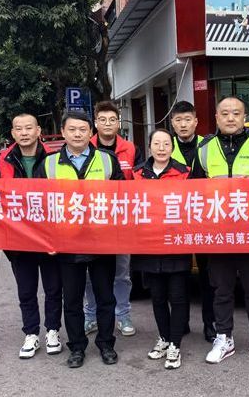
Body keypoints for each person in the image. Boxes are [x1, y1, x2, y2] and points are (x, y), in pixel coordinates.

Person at [191, 95, 249, 365]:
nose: (231, 118)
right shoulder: (204, 150)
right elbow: (191, 192)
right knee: (221, 290)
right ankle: (223, 337)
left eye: (236, 113)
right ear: (216, 117)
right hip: (217, 235)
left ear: (244, 117)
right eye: (225, 113)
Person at [36, 110, 125, 369]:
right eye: (72, 129)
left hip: (102, 242)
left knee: (105, 297)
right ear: (63, 132)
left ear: (91, 132)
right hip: (67, 243)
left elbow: (122, 198)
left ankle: (106, 344)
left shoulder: (107, 160)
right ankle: (76, 347)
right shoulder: (49, 164)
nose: (77, 134)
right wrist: (48, 240)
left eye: (83, 129)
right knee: (72, 300)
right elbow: (40, 204)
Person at [0, 113, 63, 359]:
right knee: (26, 290)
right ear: (12, 133)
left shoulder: (55, 158)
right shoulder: (3, 160)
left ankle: (53, 330)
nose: (24, 133)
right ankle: (31, 333)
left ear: (38, 131)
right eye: (18, 129)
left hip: (49, 236)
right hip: (18, 237)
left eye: (28, 128)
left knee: (53, 288)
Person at [132, 129, 192, 370]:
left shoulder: (185, 172)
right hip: (148, 245)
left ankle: (175, 344)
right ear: (149, 147)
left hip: (176, 244)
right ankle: (164, 338)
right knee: (157, 297)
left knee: (177, 297)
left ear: (172, 147)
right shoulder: (137, 173)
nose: (161, 148)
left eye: (166, 143)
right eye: (156, 143)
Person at [85, 100, 143, 337]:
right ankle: (91, 316)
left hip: (121, 221)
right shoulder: (84, 147)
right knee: (89, 274)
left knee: (122, 273)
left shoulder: (131, 149)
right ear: (95, 123)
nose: (107, 124)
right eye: (102, 120)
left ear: (119, 123)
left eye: (112, 120)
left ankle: (123, 315)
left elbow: (140, 181)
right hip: (90, 222)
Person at [169, 100, 214, 342]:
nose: (183, 124)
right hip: (176, 222)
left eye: (188, 119)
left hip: (204, 221)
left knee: (208, 276)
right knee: (179, 276)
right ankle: (181, 323)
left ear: (196, 121)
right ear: (172, 123)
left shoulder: (209, 145)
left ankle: (210, 324)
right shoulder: (165, 146)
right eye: (179, 120)